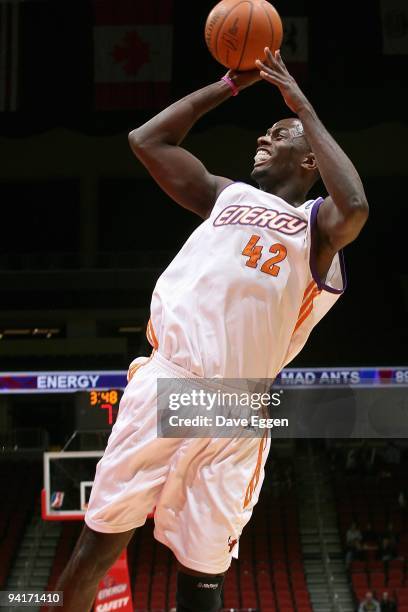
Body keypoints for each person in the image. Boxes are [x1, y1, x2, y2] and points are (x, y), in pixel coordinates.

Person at [49, 48, 368, 612]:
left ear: (311, 159)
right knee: (94, 551)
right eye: (265, 130)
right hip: (169, 380)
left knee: (204, 575)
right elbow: (146, 141)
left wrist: (303, 108)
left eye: (279, 132)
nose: (262, 138)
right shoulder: (227, 196)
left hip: (237, 407)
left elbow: (358, 205)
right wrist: (227, 86)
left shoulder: (318, 225)